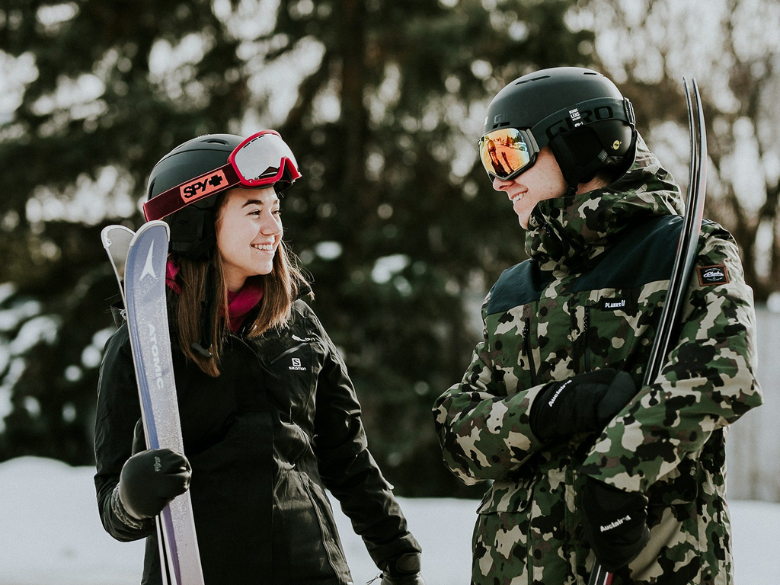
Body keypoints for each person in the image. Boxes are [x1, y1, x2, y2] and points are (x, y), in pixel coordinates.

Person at [433, 67, 762, 585]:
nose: (499, 179)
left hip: (647, 566)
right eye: (489, 157)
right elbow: (458, 434)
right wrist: (548, 410)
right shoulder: (515, 288)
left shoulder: (682, 251)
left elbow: (725, 370)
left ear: (579, 144)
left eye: (510, 153)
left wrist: (615, 474)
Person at [94, 131, 425, 585]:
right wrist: (131, 500)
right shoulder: (144, 344)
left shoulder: (300, 325)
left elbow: (347, 457)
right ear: (197, 222)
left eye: (275, 210)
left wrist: (399, 553)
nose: (274, 228)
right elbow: (114, 510)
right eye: (254, 211)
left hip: (314, 570)